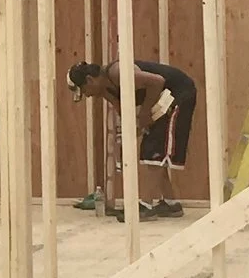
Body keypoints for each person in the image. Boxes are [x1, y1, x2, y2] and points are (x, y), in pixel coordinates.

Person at [67, 58, 197, 219]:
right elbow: (122, 108)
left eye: (84, 90)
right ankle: (171, 205)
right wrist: (132, 129)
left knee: (155, 148)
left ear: (89, 80)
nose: (86, 95)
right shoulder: (104, 90)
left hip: (179, 93)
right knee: (150, 149)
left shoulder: (117, 72)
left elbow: (157, 81)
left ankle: (146, 206)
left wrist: (144, 113)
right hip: (160, 99)